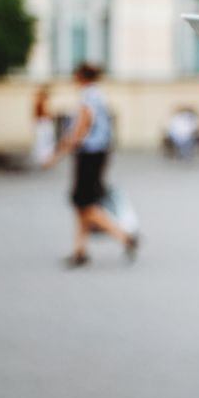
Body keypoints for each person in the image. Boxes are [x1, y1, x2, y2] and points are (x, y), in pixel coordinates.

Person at [45, 62, 139, 267]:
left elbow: (80, 129)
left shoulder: (88, 96)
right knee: (82, 203)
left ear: (80, 76)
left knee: (84, 204)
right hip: (97, 153)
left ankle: (125, 237)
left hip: (89, 155)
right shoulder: (97, 94)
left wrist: (56, 153)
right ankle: (80, 251)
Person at [31, 85, 55, 168]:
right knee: (45, 142)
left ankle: (44, 159)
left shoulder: (37, 102)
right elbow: (46, 113)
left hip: (40, 123)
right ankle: (45, 160)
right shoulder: (41, 102)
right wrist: (51, 115)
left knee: (42, 142)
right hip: (44, 123)